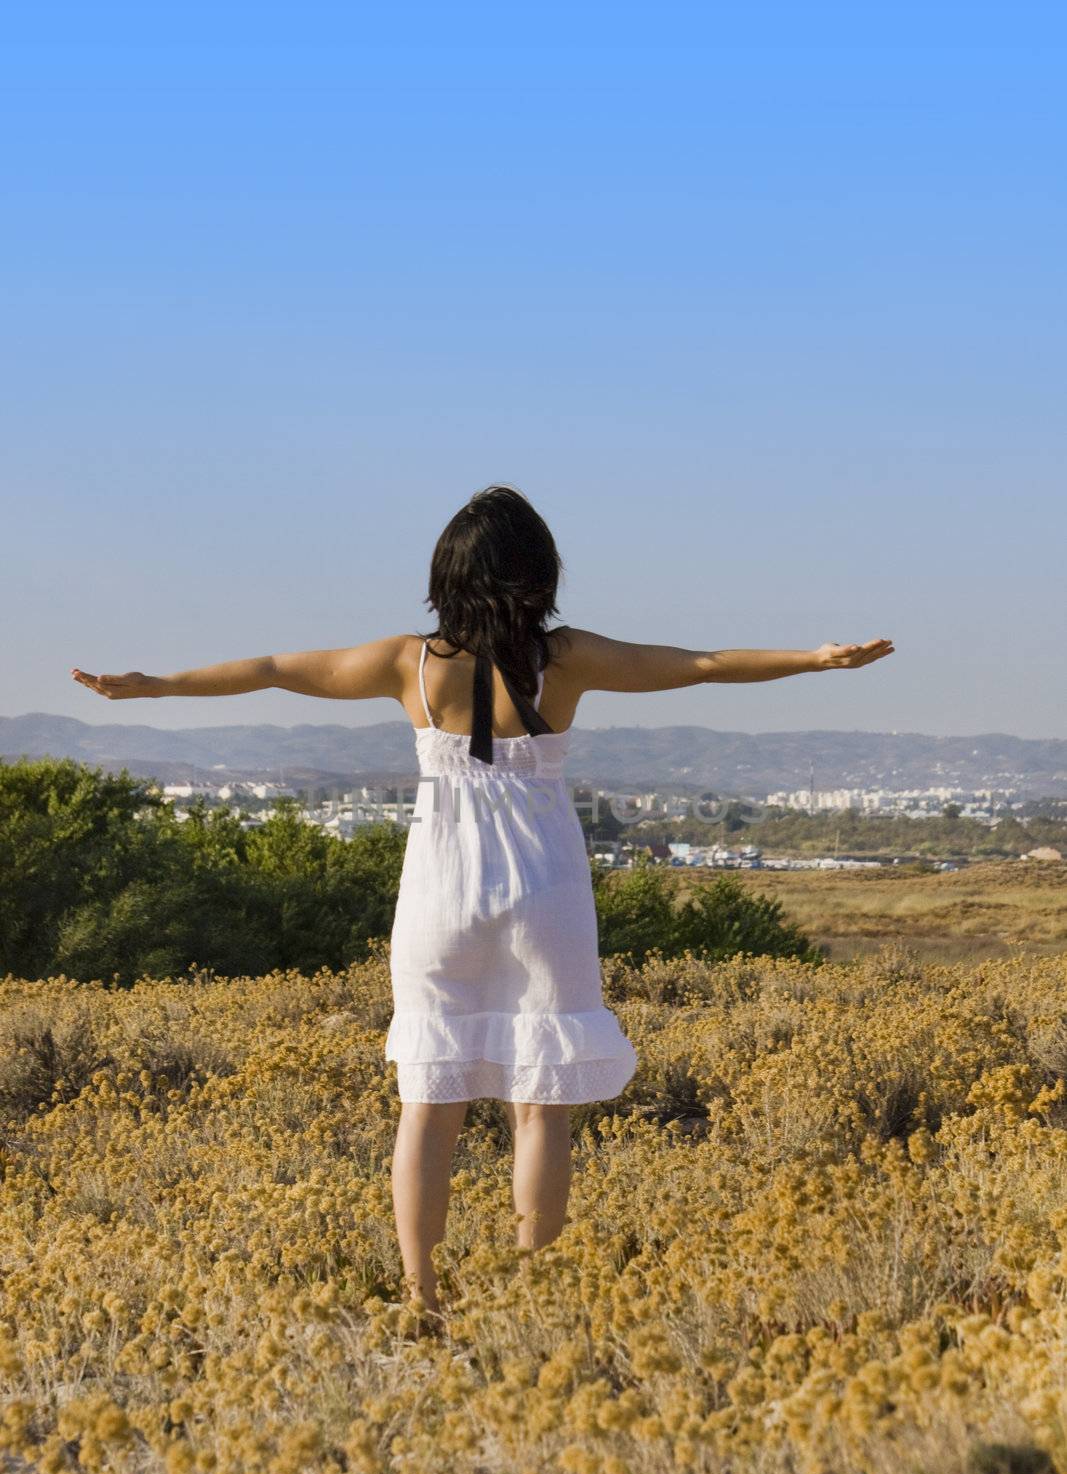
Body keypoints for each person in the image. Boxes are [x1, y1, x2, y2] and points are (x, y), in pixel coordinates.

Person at [71, 484, 894, 1321]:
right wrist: (814, 657)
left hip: (440, 891)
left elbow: (279, 671)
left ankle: (422, 1294)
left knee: (430, 1102)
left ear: (445, 575)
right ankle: (530, 1293)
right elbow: (699, 665)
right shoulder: (563, 657)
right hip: (543, 887)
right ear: (538, 572)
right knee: (541, 1105)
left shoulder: (407, 663)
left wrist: (156, 685)